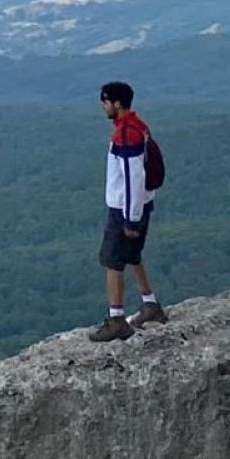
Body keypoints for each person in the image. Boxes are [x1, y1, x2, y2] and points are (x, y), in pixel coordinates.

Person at [90, 81, 167, 342]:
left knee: (112, 261)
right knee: (133, 255)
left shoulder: (125, 134)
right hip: (141, 203)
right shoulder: (138, 126)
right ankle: (150, 304)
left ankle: (117, 320)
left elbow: (133, 178)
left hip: (125, 208)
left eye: (105, 102)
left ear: (117, 103)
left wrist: (130, 219)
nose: (103, 107)